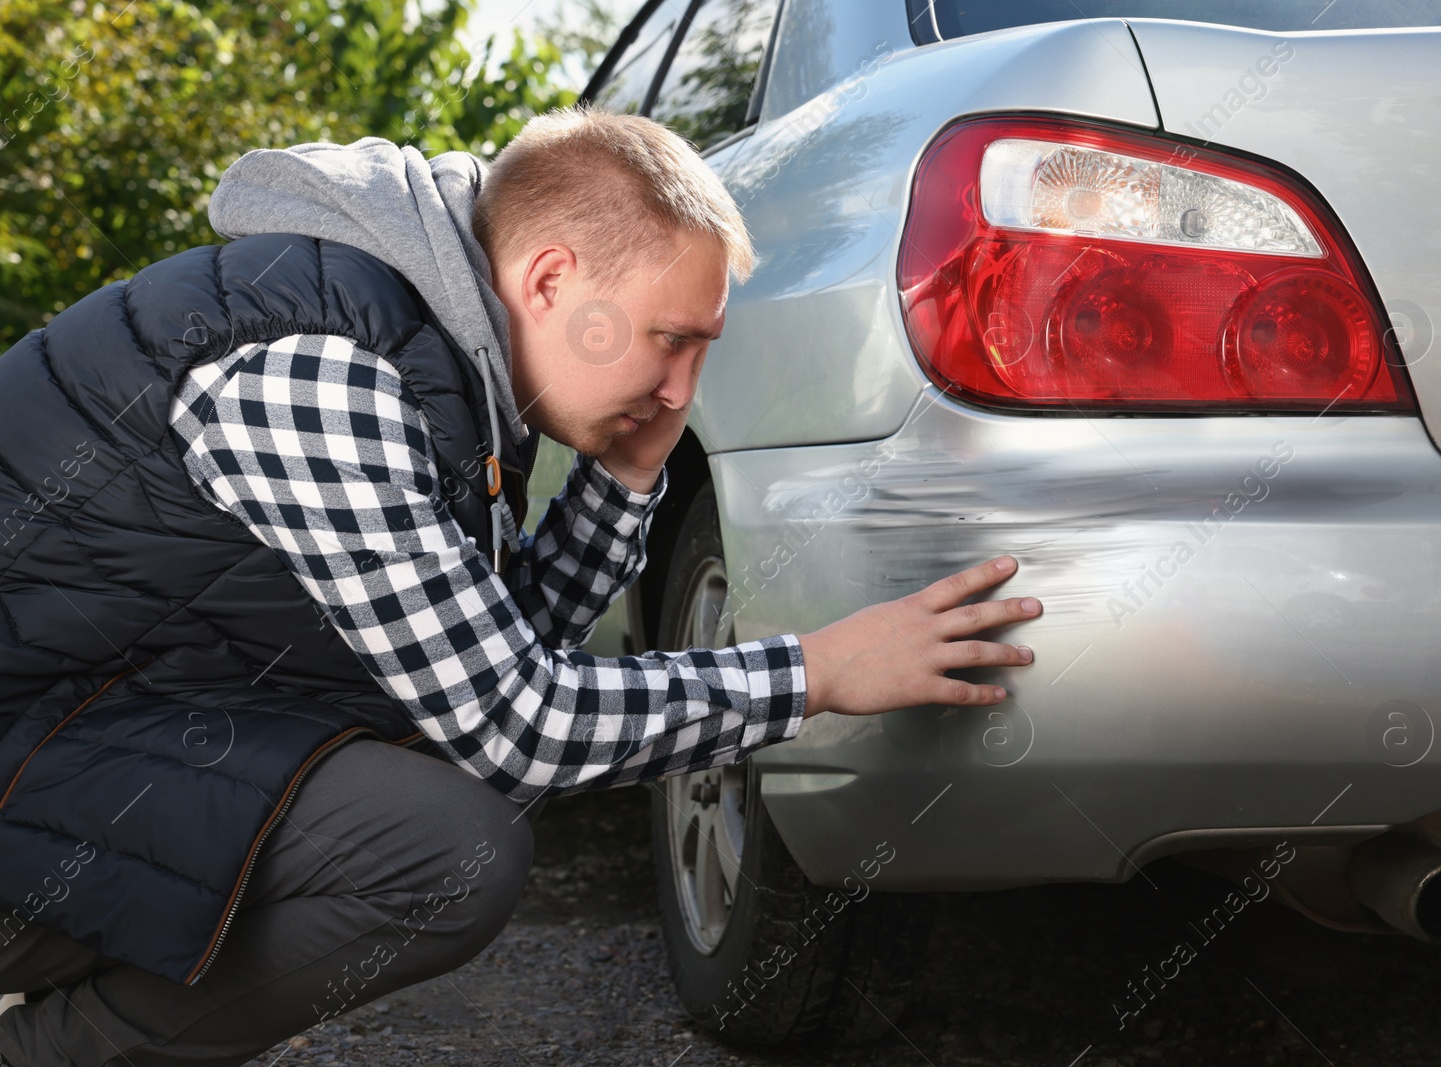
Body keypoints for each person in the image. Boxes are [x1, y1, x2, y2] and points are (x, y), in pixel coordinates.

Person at [0, 104, 1041, 1066]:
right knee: (445, 854)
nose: (682, 388)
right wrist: (815, 671)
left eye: (700, 350)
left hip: (71, 746)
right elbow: (514, 727)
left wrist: (626, 480)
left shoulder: (438, 363)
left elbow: (485, 670)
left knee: (447, 824)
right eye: (669, 339)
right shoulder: (318, 377)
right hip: (32, 759)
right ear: (548, 282)